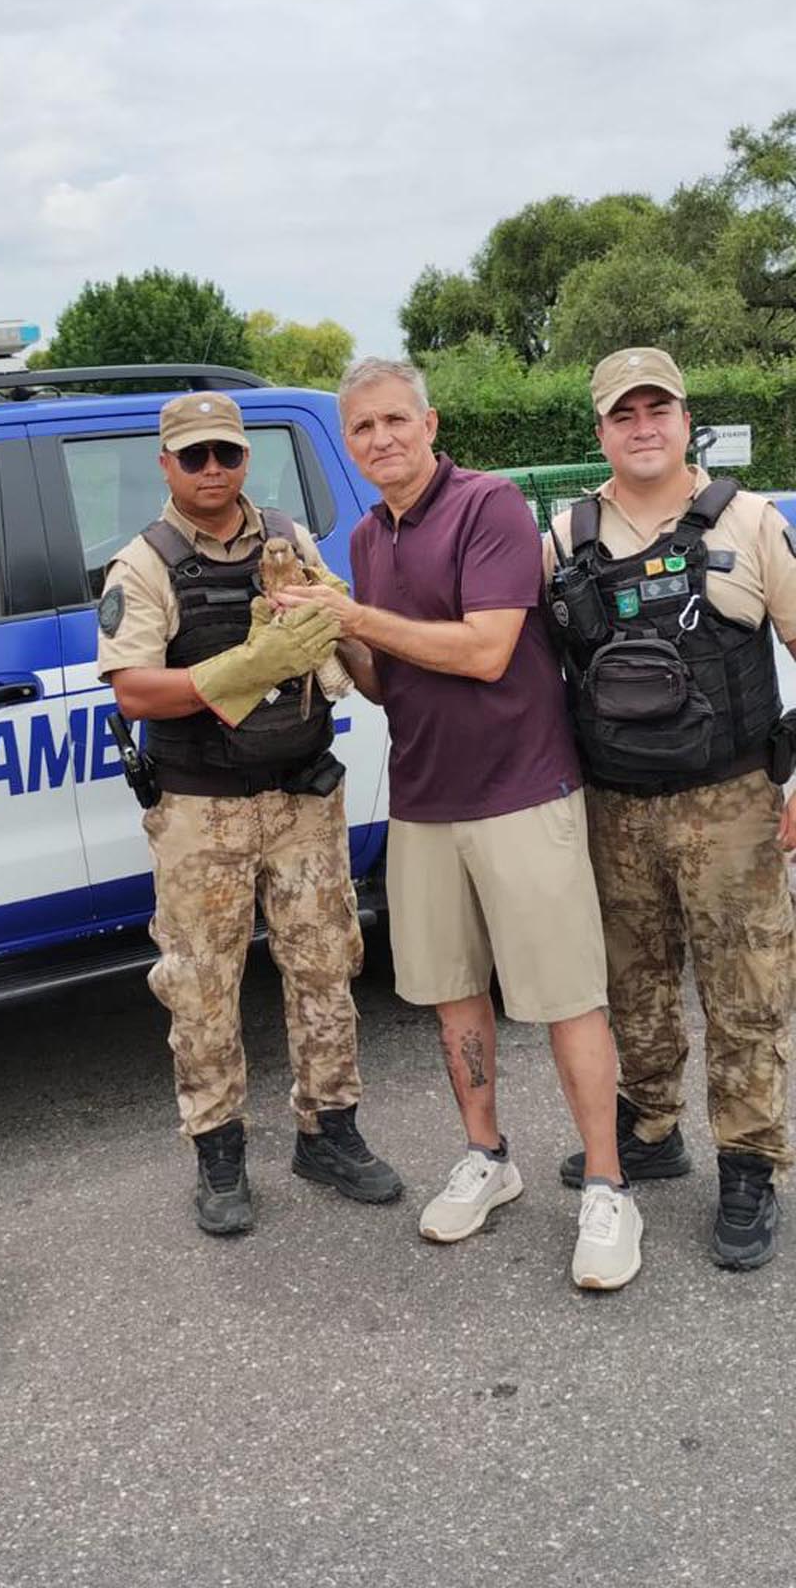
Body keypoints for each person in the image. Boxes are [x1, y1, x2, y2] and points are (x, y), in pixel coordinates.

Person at [278, 357, 643, 1291]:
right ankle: (488, 1157)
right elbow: (382, 683)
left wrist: (353, 612)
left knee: (566, 997)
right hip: (425, 797)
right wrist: (324, 629)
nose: (380, 440)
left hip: (522, 790)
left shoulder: (488, 509)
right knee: (452, 997)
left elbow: (486, 652)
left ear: (430, 424)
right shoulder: (362, 539)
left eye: (396, 420)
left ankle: (607, 1185)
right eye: (361, 428)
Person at [97, 391, 402, 1236]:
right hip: (204, 811)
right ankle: (219, 1150)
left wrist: (350, 638)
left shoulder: (288, 538)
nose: (212, 470)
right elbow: (131, 690)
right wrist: (242, 665)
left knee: (327, 966)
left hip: (302, 794)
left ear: (244, 458)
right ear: (166, 464)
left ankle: (329, 1129)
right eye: (193, 456)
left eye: (226, 453)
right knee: (200, 987)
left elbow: (344, 636)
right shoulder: (145, 563)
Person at [544, 347, 796, 1270]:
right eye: (623, 414)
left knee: (746, 989)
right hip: (615, 807)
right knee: (633, 986)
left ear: (688, 420)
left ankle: (748, 1164)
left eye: (659, 409)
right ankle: (650, 1131)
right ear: (601, 430)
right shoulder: (565, 538)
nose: (643, 427)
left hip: (730, 800)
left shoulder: (752, 521)